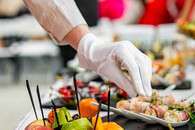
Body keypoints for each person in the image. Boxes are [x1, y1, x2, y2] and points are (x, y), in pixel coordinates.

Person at [23, 0, 152, 97]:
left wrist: (89, 44)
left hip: (83, 26)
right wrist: (89, 45)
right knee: (70, 71)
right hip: (70, 29)